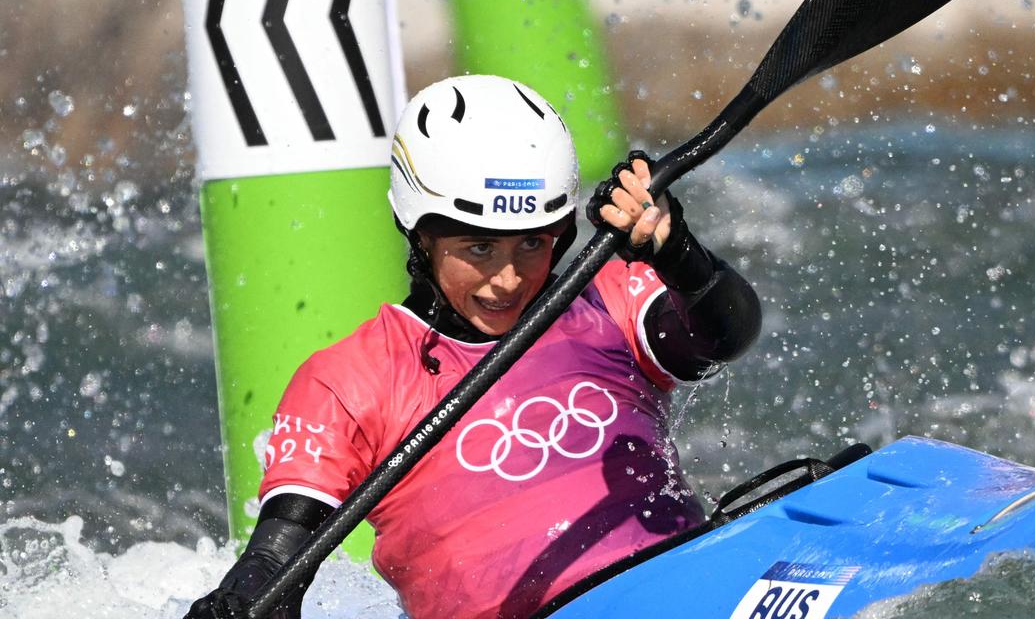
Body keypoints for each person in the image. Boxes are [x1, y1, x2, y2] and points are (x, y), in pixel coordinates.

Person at [186, 75, 762, 619]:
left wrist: (677, 252)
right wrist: (243, 598)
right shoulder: (350, 380)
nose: (508, 279)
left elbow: (725, 336)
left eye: (533, 245)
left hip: (689, 589)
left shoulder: (605, 301)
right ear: (420, 233)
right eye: (479, 249)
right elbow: (275, 558)